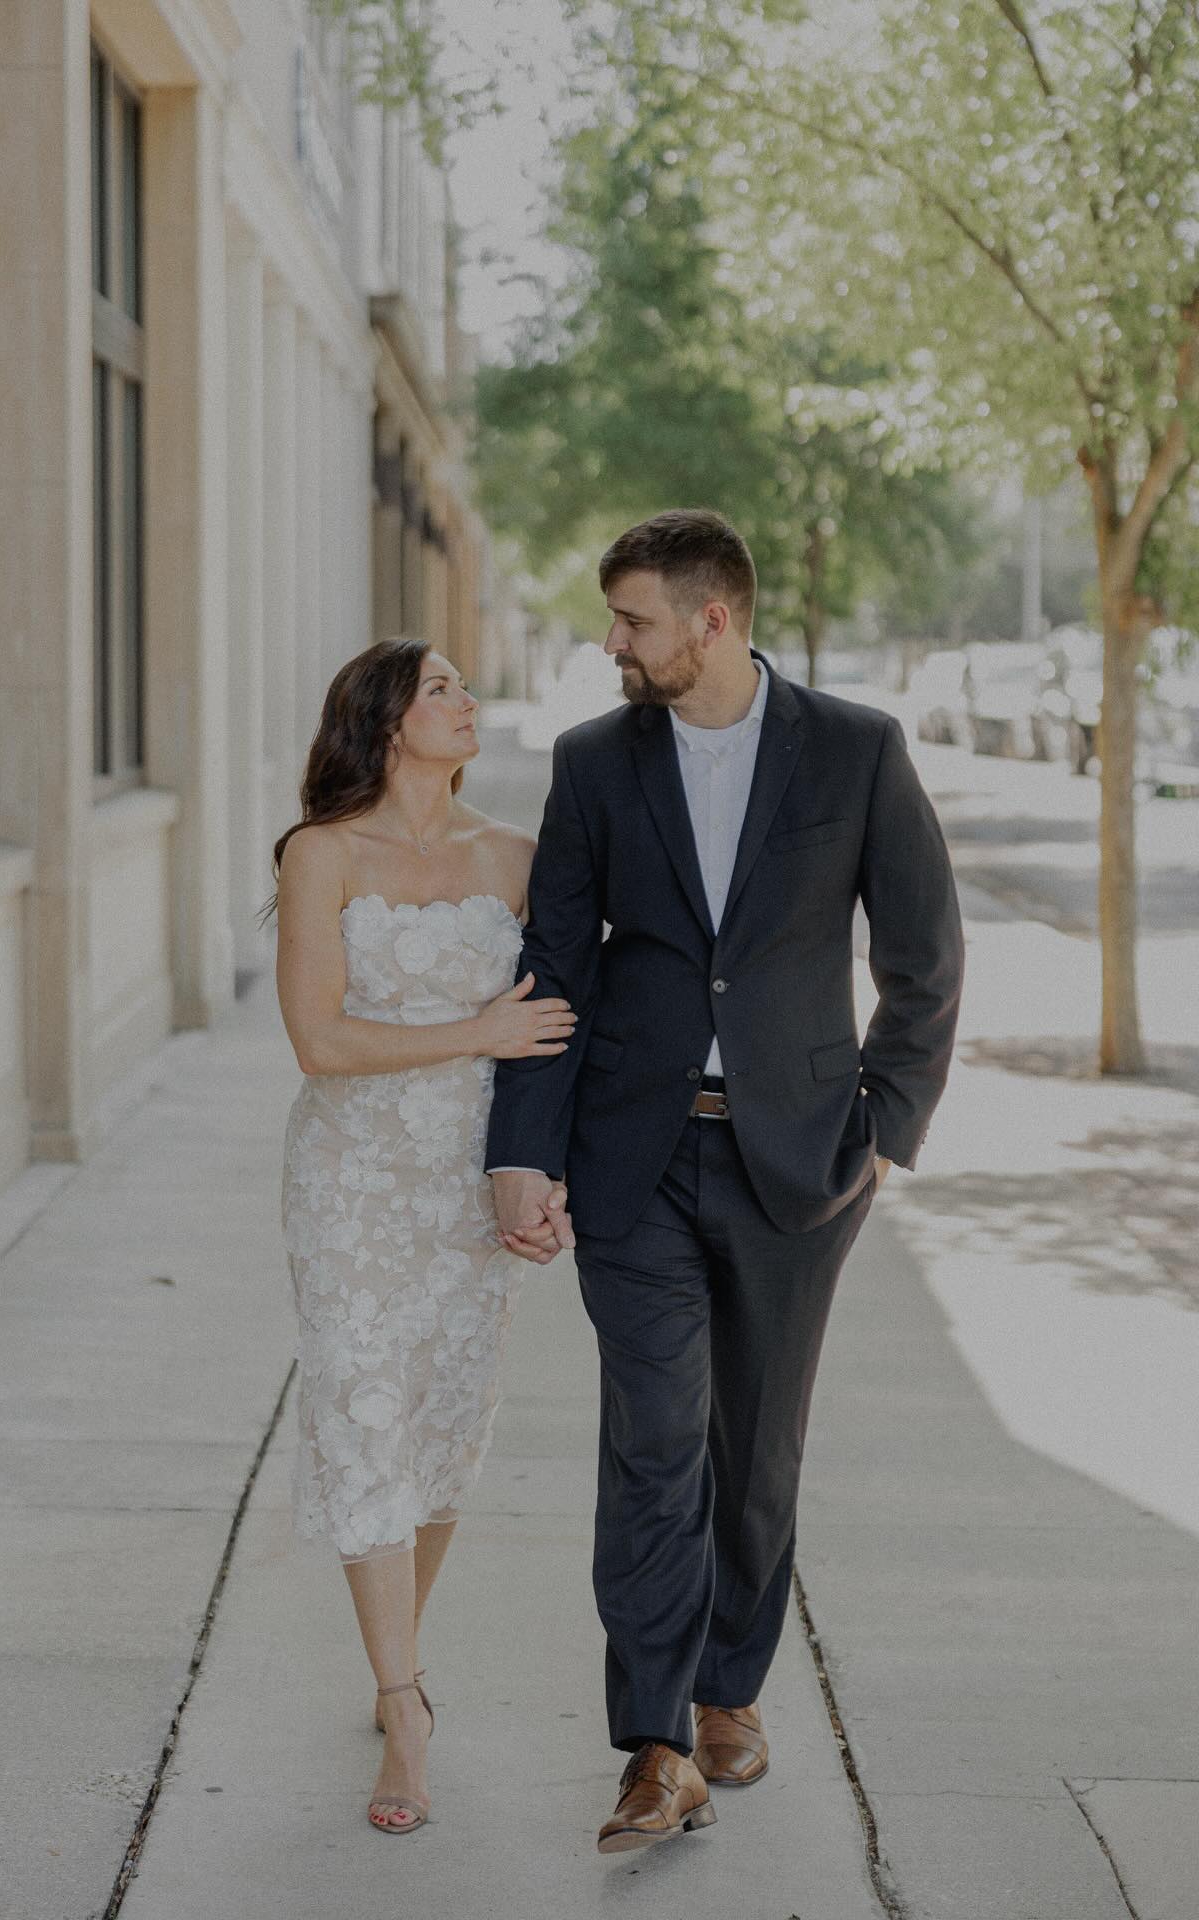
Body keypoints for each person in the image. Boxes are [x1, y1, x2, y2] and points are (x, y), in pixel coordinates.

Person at [484, 509, 964, 1854]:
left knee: (755, 1448)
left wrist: (882, 1126)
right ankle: (649, 1742)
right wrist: (522, 1148)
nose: (613, 642)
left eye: (633, 620)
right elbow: (557, 963)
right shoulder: (593, 763)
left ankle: (728, 1692)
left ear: (714, 619)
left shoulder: (857, 750)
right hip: (631, 1155)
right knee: (651, 1445)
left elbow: (925, 956)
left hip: (797, 1161)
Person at [270, 637, 576, 1836]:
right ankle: (405, 1705)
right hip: (350, 1179)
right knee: (363, 1408)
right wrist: (475, 1033)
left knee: (445, 1421)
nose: (466, 702)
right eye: (441, 686)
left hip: (466, 1184)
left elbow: (556, 1031)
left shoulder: (517, 855)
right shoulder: (322, 854)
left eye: (463, 686)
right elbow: (320, 1042)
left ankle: (399, 1653)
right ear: (387, 717)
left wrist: (540, 1173)